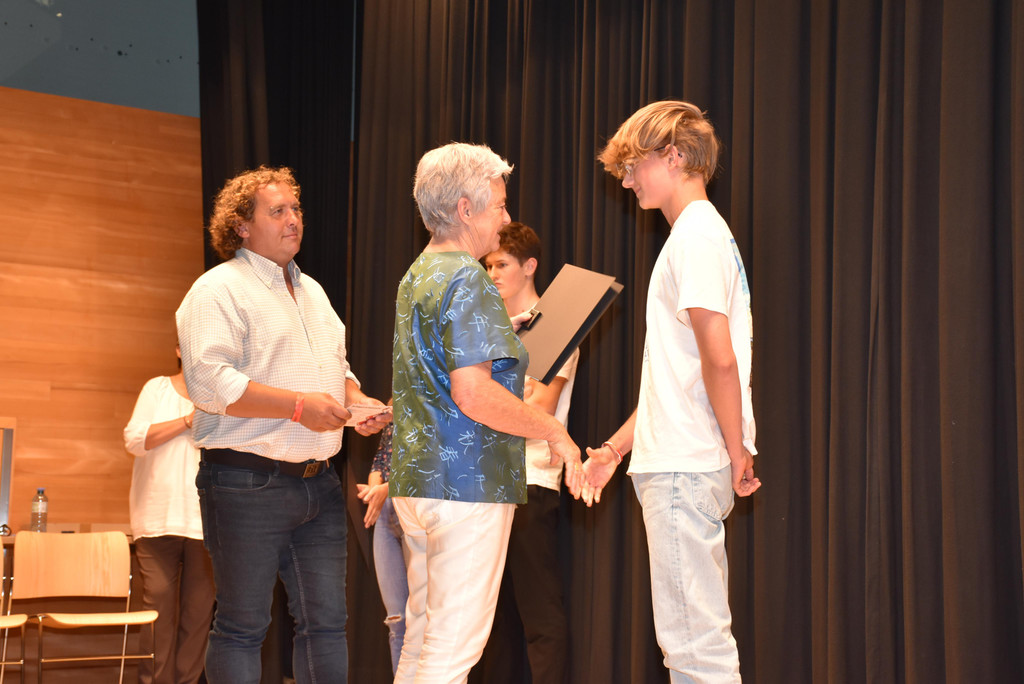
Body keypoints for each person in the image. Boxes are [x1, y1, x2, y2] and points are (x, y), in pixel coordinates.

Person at [175, 165, 389, 684]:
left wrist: (358, 403)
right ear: (242, 226)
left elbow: (335, 370)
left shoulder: (313, 292)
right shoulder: (217, 289)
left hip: (320, 484)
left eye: (296, 209)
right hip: (244, 482)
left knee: (327, 626)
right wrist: (297, 407)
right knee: (243, 626)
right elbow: (208, 382)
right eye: (277, 211)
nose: (293, 219)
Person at [390, 142, 584, 684]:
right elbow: (473, 395)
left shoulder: (419, 272)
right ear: (465, 209)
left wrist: (505, 337)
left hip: (418, 480)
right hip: (466, 485)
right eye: (499, 205)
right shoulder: (470, 277)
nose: (504, 218)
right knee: (451, 653)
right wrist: (553, 431)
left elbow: (437, 365)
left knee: (422, 641)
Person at [583, 101, 762, 683]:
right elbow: (676, 376)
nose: (627, 180)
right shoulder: (697, 236)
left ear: (675, 156)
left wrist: (735, 447)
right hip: (682, 461)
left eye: (634, 165)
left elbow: (719, 359)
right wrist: (615, 450)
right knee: (692, 645)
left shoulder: (697, 237)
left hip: (686, 467)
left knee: (695, 652)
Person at [474, 222, 578, 684]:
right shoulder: (489, 329)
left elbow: (540, 408)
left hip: (531, 480)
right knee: (489, 618)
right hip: (485, 483)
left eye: (501, 264)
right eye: (487, 265)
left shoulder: (555, 326)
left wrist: (491, 400)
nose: (492, 274)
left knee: (540, 614)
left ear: (530, 266)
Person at [123, 346, 215, 684]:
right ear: (179, 349)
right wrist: (188, 420)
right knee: (157, 611)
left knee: (199, 615)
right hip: (157, 518)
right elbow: (134, 439)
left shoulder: (221, 398)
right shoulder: (157, 388)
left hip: (206, 523)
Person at [355, 422, 407, 674]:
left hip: (415, 506)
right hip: (387, 512)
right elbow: (380, 459)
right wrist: (375, 490)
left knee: (424, 617)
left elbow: (433, 459)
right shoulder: (393, 407)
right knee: (397, 620)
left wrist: (388, 488)